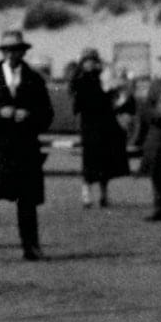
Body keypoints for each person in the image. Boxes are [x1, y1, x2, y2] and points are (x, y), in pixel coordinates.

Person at [0, 29, 52, 262]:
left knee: (27, 201)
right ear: (2, 52)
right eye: (7, 50)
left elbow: (47, 115)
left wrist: (30, 115)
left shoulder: (34, 80)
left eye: (16, 50)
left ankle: (31, 246)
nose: (12, 54)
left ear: (23, 52)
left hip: (24, 148)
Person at [68, 49, 127, 209]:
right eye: (87, 61)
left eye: (93, 60)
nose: (90, 64)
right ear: (83, 63)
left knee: (104, 160)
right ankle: (86, 194)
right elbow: (79, 101)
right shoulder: (80, 79)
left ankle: (103, 194)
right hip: (90, 124)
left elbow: (114, 97)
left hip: (104, 123)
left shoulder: (102, 76)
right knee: (90, 159)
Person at [137, 47, 161, 222]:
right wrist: (160, 116)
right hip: (158, 132)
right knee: (157, 170)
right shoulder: (157, 83)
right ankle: (160, 209)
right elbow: (146, 108)